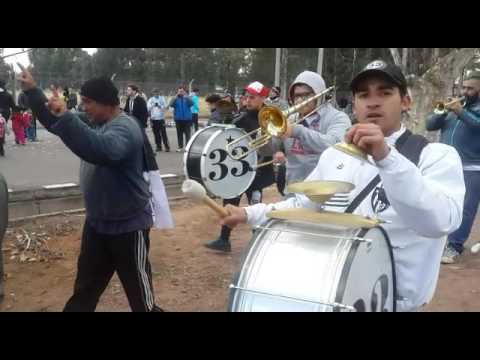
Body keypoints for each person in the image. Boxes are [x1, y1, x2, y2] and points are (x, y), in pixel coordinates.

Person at [219, 60, 465, 312]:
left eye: (385, 92)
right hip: (335, 293)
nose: (373, 101)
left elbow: (441, 222)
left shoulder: (436, 155)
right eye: (363, 94)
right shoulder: (335, 155)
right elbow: (302, 206)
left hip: (395, 303)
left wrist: (385, 157)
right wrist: (247, 213)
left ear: (405, 101)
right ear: (355, 104)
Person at [17, 65, 164, 312]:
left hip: (128, 228)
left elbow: (100, 150)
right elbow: (59, 122)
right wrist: (33, 92)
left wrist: (66, 117)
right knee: (84, 292)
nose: (83, 108)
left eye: (87, 102)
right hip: (97, 225)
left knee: (142, 301)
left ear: (107, 103)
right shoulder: (96, 122)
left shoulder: (126, 128)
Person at [205, 81, 275, 252]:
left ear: (263, 98)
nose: (247, 101)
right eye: (246, 97)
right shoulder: (243, 116)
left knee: (255, 204)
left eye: (252, 98)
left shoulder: (271, 116)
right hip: (239, 169)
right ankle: (224, 239)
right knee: (230, 200)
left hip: (258, 170)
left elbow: (274, 143)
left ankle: (257, 242)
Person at [426, 70, 480, 264]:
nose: (465, 91)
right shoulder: (455, 108)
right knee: (438, 203)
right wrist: (440, 113)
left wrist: (461, 112)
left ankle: (454, 246)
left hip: (471, 167)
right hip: (445, 165)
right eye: (463, 87)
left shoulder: (465, 110)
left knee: (465, 208)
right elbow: (429, 125)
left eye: (470, 88)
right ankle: (438, 242)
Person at [272, 71, 351, 193]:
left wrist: (297, 131)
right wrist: (268, 134)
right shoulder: (291, 119)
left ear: (319, 94)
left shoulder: (338, 118)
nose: (299, 100)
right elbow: (271, 149)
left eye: (305, 95)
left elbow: (335, 146)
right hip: (293, 191)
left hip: (326, 193)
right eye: (296, 96)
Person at [169, 86, 193, 152]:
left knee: (187, 134)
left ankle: (188, 147)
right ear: (177, 92)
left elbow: (192, 103)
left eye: (182, 91)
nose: (180, 92)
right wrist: (175, 97)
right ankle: (180, 147)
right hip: (178, 119)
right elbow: (170, 104)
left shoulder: (187, 98)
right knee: (179, 134)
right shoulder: (175, 99)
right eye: (179, 91)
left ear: (184, 92)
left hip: (187, 119)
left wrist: (186, 96)